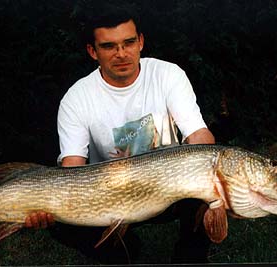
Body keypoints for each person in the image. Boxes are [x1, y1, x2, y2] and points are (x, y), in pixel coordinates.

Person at [25, 5, 215, 263]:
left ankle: (190, 258)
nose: (122, 54)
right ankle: (121, 251)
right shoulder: (76, 98)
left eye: (129, 42)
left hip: (170, 190)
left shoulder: (168, 75)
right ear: (93, 51)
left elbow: (198, 135)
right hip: (108, 198)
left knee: (207, 183)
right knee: (64, 223)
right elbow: (72, 167)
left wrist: (213, 170)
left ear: (141, 42)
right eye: (109, 46)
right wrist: (49, 206)